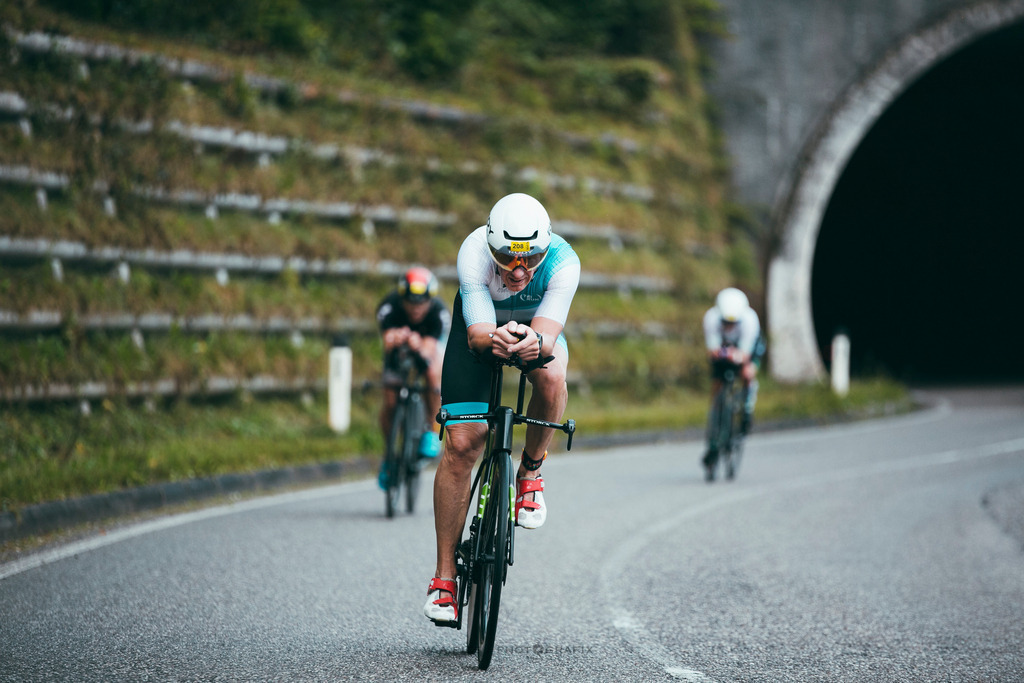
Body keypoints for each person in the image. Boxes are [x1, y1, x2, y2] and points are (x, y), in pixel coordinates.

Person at [423, 193, 581, 623]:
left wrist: (534, 343)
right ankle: (444, 579)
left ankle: (530, 473)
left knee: (550, 376)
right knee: (462, 444)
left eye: (530, 259)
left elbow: (547, 337)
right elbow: (476, 336)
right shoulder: (473, 252)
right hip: (480, 331)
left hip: (535, 327)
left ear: (545, 249)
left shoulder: (565, 262)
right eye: (506, 258)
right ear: (490, 245)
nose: (518, 270)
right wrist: (495, 339)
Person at [376, 266, 450, 490]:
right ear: (402, 299)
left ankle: (431, 429)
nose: (416, 308)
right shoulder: (389, 307)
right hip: (398, 353)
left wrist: (418, 344)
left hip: (427, 349)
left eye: (421, 303)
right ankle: (389, 453)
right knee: (390, 401)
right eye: (411, 303)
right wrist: (398, 338)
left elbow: (430, 350)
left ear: (430, 301)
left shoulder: (439, 313)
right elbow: (387, 339)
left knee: (431, 374)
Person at [701, 287, 765, 479]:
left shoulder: (750, 321)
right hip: (725, 349)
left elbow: (745, 354)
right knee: (717, 384)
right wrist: (723, 354)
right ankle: (715, 417)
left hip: (747, 348)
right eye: (725, 322)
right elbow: (712, 350)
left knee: (747, 373)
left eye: (732, 323)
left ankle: (746, 407)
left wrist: (737, 357)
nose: (729, 326)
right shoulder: (711, 318)